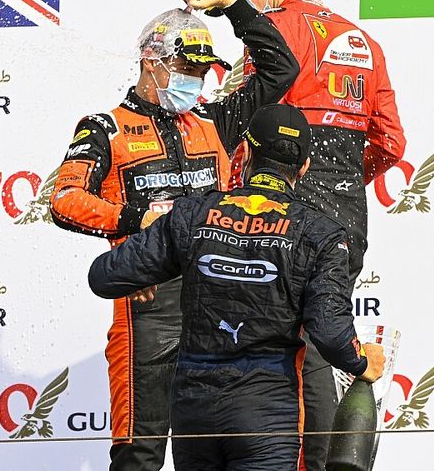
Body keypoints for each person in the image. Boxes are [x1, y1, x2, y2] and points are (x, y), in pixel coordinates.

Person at [50, 0, 299, 471]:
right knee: (139, 451)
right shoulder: (105, 127)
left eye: (203, 71)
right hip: (147, 302)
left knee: (210, 446)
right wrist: (136, 220)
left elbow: (280, 67)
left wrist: (232, 5)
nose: (197, 80)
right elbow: (65, 200)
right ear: (151, 63)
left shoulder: (214, 120)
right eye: (187, 69)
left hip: (218, 302)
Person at [88, 104, 386, 470]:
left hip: (195, 413)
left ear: (244, 152)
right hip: (265, 414)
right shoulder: (320, 234)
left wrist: (140, 275)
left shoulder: (191, 213)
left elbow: (105, 276)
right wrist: (360, 362)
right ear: (304, 167)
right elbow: (329, 329)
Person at [225, 0, 407, 469]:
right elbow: (392, 143)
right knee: (326, 342)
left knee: (288, 354)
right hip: (346, 212)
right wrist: (346, 178)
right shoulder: (363, 39)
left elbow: (250, 127)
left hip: (285, 202)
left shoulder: (275, 30)